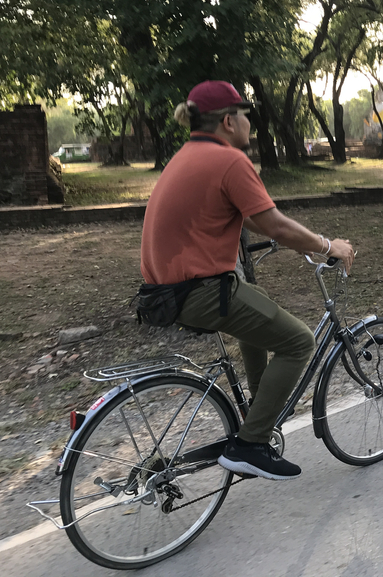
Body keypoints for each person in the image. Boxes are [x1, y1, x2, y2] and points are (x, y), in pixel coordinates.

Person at [140, 81, 354, 480]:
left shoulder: (189, 155)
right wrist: (327, 246)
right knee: (299, 341)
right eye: (246, 114)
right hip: (201, 292)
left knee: (254, 303)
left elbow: (254, 218)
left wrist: (292, 239)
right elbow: (273, 223)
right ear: (228, 120)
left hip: (167, 293)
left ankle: (258, 408)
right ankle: (250, 444)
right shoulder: (229, 160)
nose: (250, 122)